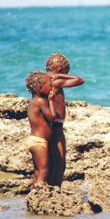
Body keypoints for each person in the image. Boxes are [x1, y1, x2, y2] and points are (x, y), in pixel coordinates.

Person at [45, 53, 84, 186]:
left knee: (51, 160)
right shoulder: (56, 81)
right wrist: (61, 75)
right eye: (67, 70)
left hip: (49, 124)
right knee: (60, 162)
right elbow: (79, 80)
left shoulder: (44, 81)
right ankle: (56, 189)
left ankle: (51, 186)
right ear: (62, 70)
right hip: (57, 126)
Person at [25, 71, 56, 187]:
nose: (52, 87)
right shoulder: (41, 101)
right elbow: (52, 117)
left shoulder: (33, 102)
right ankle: (40, 195)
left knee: (37, 172)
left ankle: (33, 194)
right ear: (40, 87)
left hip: (34, 140)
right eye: (50, 85)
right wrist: (51, 100)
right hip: (39, 142)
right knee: (44, 171)